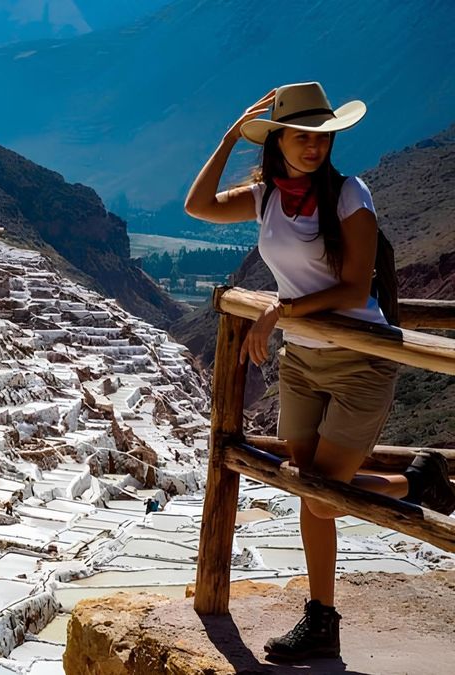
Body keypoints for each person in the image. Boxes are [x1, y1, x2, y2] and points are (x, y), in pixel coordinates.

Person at [183, 82, 455, 662]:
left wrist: (280, 310)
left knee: (323, 498)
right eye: (302, 136)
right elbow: (197, 206)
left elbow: (354, 288)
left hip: (359, 359)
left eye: (323, 137)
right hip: (302, 361)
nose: (314, 147)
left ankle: (415, 482)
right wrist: (230, 138)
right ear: (276, 140)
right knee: (307, 487)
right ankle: (322, 618)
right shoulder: (265, 196)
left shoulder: (350, 194)